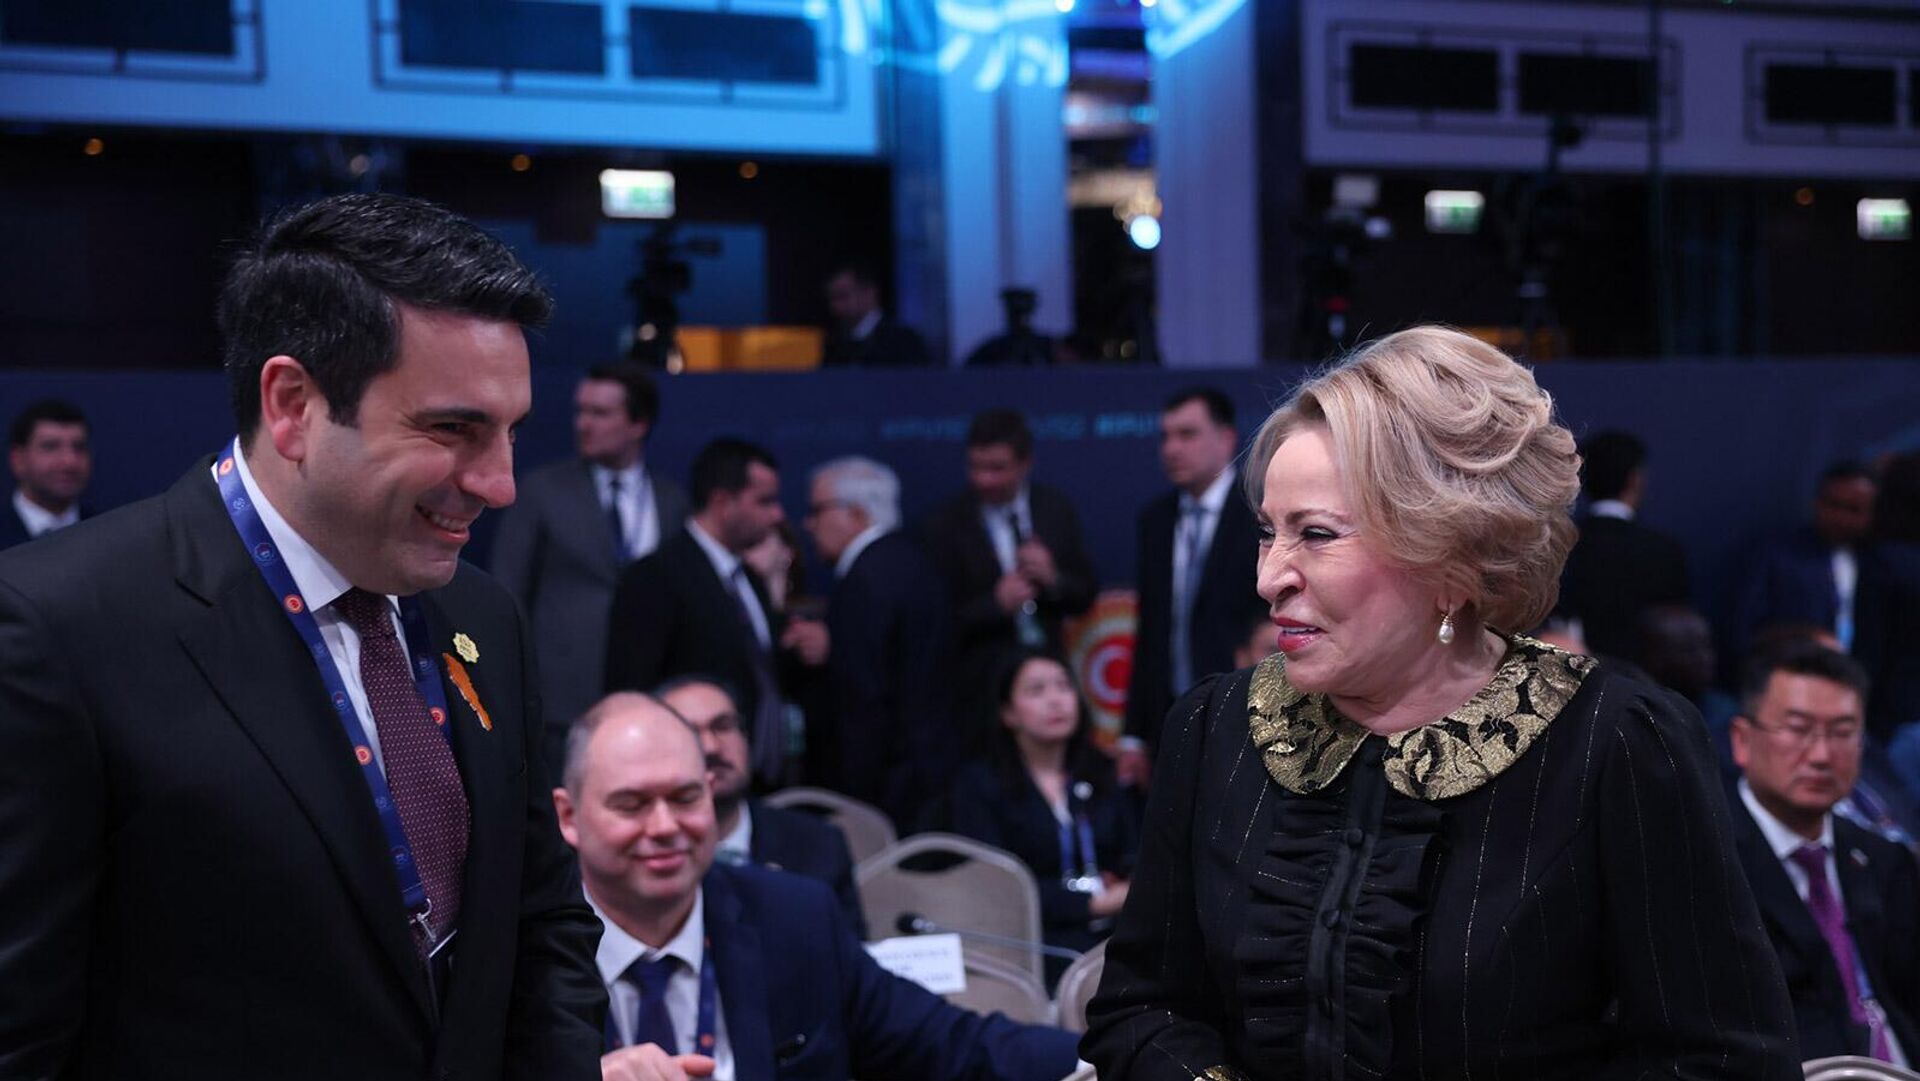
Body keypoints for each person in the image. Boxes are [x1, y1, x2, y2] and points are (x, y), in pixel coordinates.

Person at [1082, 326, 1796, 1079]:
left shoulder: (1615, 743)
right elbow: (1143, 1010)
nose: (1270, 578)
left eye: (1316, 534)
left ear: (1449, 557)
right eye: (1268, 532)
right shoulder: (1215, 729)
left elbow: (1722, 1059)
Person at [0, 193, 604, 1079]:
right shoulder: (55, 626)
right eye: (453, 428)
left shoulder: (484, 618)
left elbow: (541, 921)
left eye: (512, 432)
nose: (501, 483)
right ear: (292, 405)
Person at [553, 692, 1082, 1081]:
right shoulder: (525, 953)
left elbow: (956, 1046)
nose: (665, 825)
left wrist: (1109, 1055)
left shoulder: (791, 919)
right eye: (632, 804)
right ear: (569, 816)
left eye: (685, 798)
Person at [1729, 640, 1919, 1062]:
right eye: (1798, 729)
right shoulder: (1708, 859)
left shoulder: (1883, 859)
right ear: (1742, 740)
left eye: (1842, 733)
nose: (1821, 755)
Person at [492, 361, 689, 765]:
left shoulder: (671, 500)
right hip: (562, 699)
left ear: (638, 424)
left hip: (648, 693)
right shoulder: (543, 490)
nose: (583, 424)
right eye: (580, 411)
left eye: (600, 413)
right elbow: (506, 589)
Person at [605, 438, 818, 788]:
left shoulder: (749, 578)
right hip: (691, 779)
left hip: (758, 781)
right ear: (722, 503)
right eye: (764, 501)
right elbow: (631, 691)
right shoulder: (655, 577)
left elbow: (759, 673)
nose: (777, 515)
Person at [950, 650, 1140, 987]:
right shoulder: (980, 786)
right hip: (1034, 944)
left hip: (1117, 935)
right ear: (1008, 713)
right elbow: (996, 886)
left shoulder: (1103, 771)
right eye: (1036, 690)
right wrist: (1093, 903)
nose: (1056, 700)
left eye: (1064, 687)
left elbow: (1138, 851)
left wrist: (1129, 884)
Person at [799, 455, 957, 828]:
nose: (808, 523)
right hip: (931, 772)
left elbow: (863, 699)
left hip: (888, 789)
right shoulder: (913, 563)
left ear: (856, 513)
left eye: (817, 510)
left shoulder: (865, 580)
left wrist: (855, 800)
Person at [923, 409, 1096, 731]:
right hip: (980, 694)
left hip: (1050, 675)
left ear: (1025, 463)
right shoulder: (944, 525)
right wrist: (995, 605)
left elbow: (1084, 594)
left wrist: (1053, 579)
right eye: (976, 467)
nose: (983, 479)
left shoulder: (1053, 508)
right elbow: (935, 624)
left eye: (997, 468)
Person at [654, 675, 867, 936]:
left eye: (723, 726)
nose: (711, 747)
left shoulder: (817, 846)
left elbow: (846, 955)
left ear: (746, 737)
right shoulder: (643, 854)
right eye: (689, 732)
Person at [1121, 388, 1264, 778]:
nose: (1171, 449)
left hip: (1247, 713)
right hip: (1170, 719)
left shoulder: (1260, 512)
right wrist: (1133, 734)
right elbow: (1150, 630)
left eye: (1187, 434)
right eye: (1165, 436)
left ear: (1226, 439)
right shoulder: (1155, 520)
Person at [1556, 429, 1690, 660]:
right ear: (1635, 479)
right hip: (1645, 676)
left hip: (1576, 672)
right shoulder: (1663, 551)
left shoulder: (1560, 547)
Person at [1736, 462, 1876, 655]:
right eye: (1833, 505)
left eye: (1854, 510)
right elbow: (1745, 630)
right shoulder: (1776, 555)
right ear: (1817, 502)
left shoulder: (1880, 564)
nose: (1841, 518)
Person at [2, 398, 92, 548]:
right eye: (50, 447)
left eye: (79, 447)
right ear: (18, 460)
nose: (69, 462)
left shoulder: (107, 533)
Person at [821, 260, 932, 368]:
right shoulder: (834, 343)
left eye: (842, 296)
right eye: (832, 298)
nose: (835, 306)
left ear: (869, 292)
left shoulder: (904, 341)